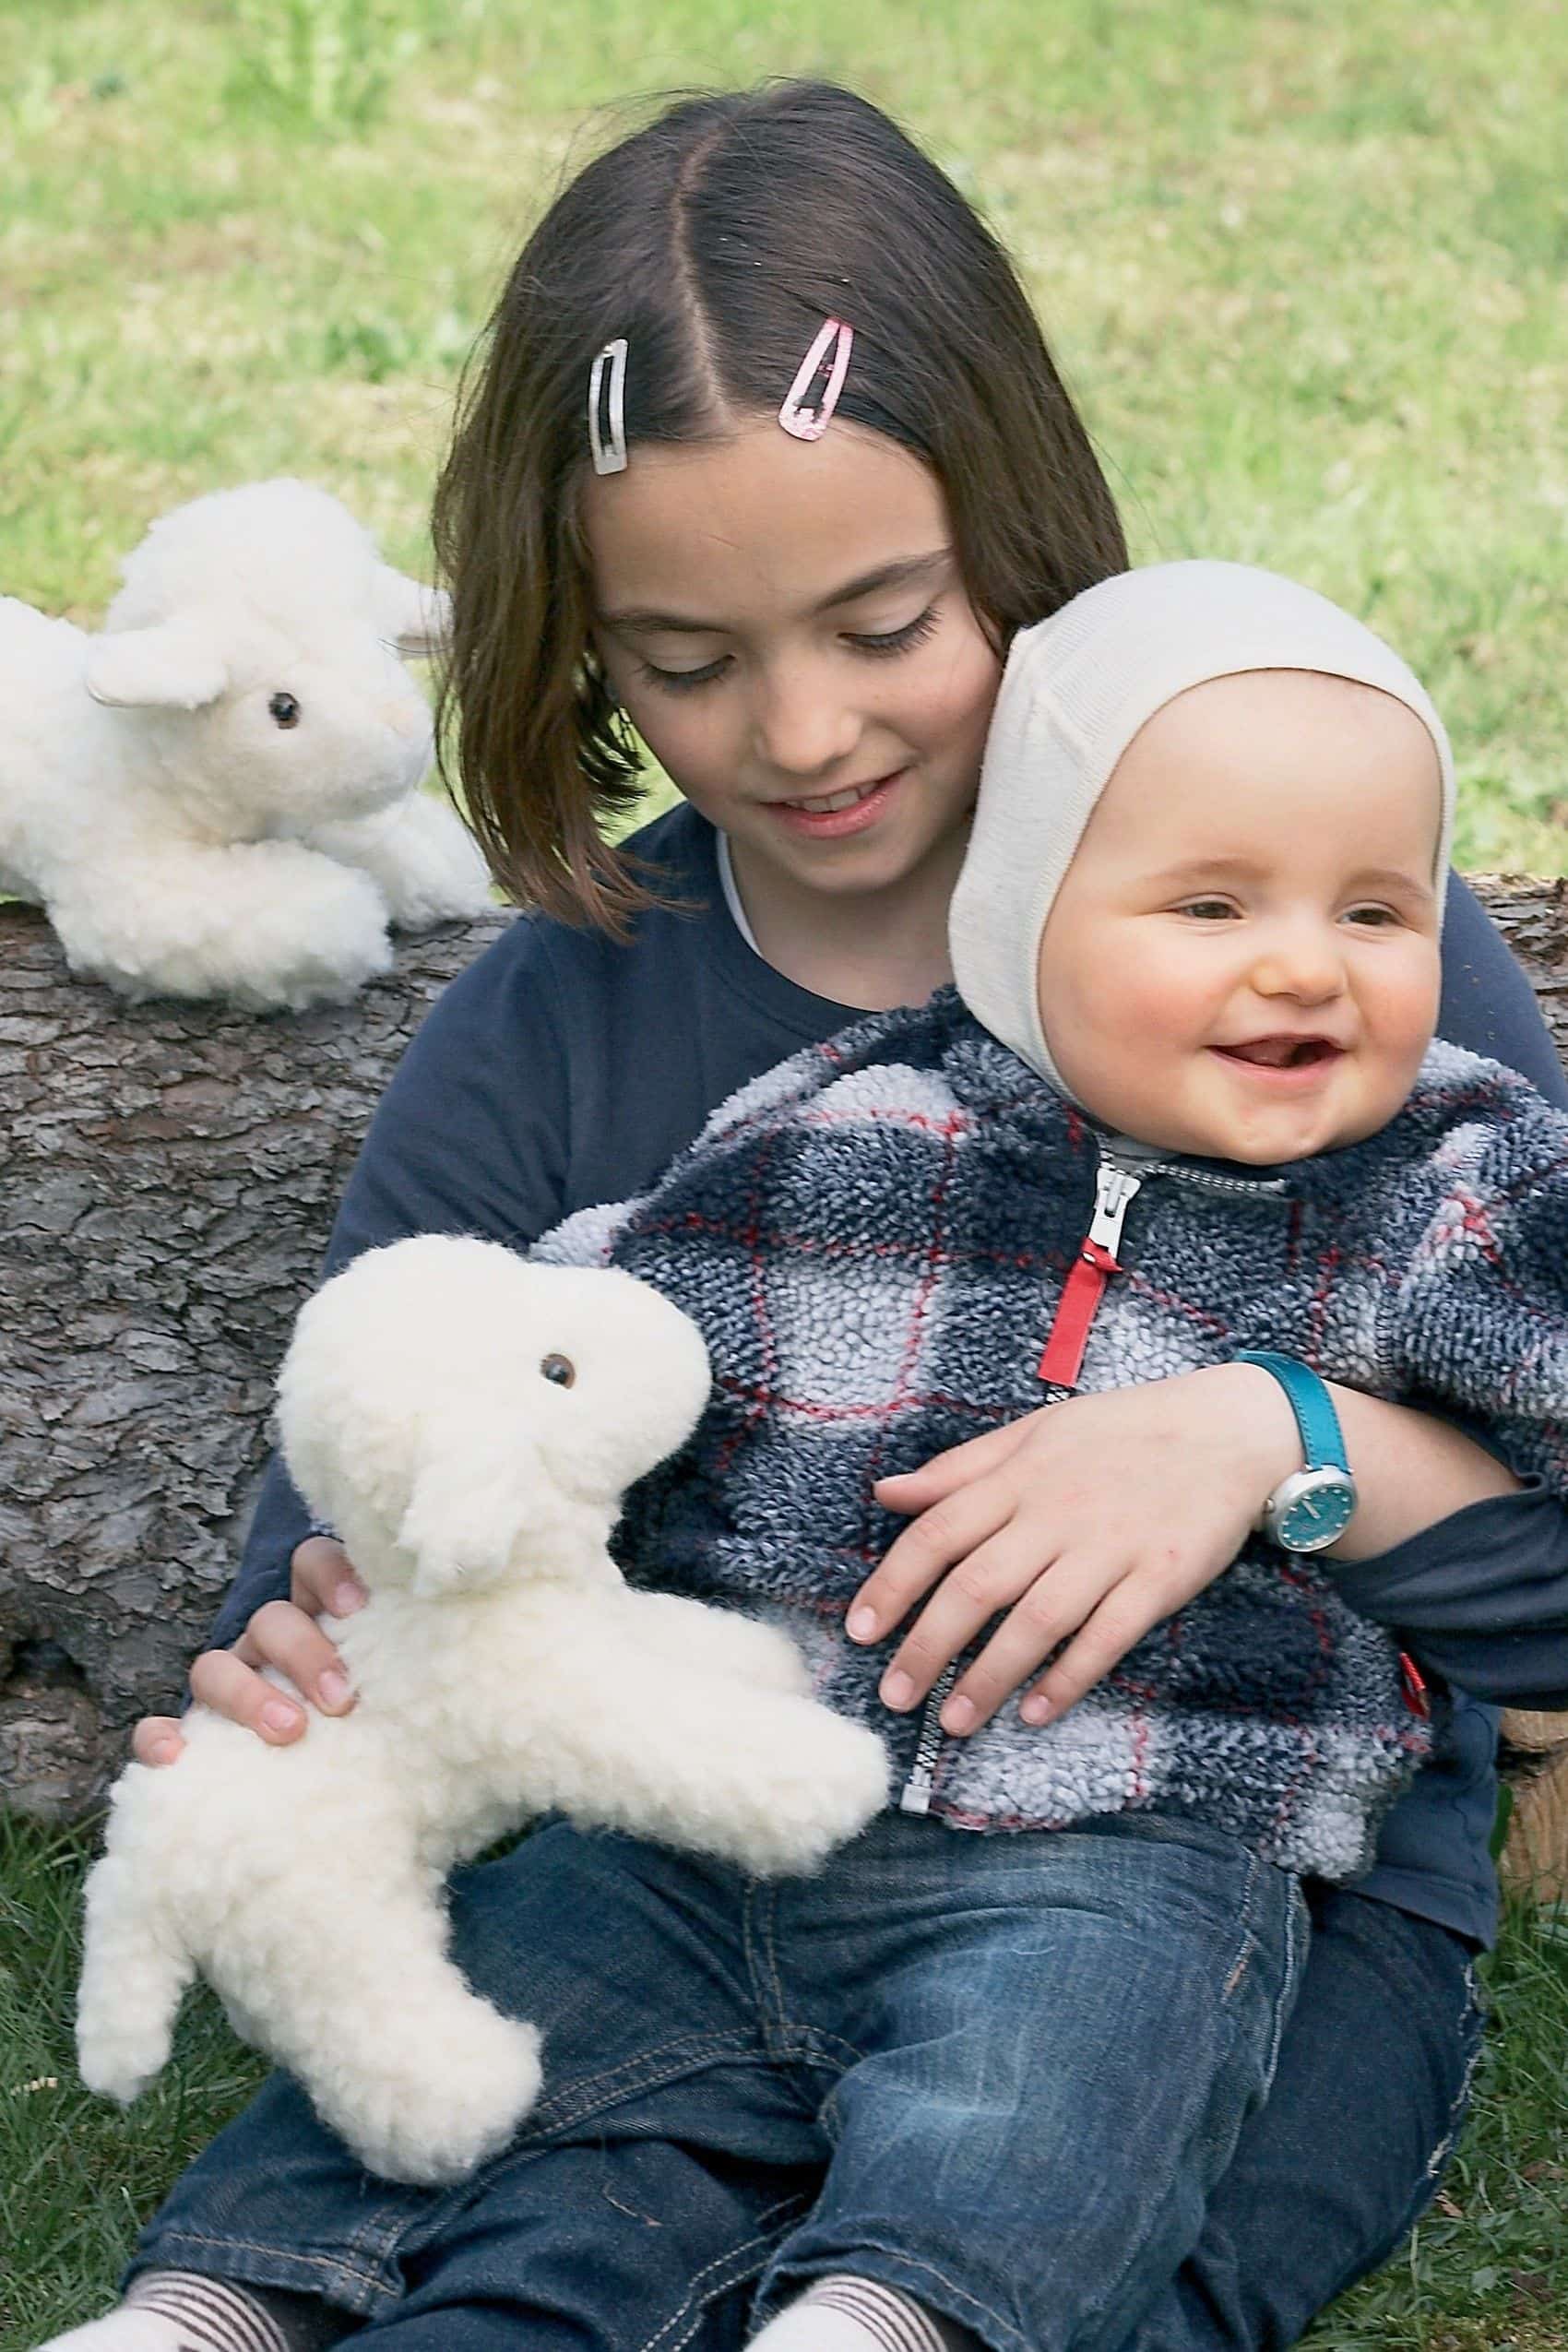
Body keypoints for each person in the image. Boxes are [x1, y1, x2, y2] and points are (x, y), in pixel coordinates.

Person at [51, 77, 1568, 2352]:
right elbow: (360, 1507)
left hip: (1244, 1876)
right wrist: (312, 1645)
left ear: (1018, 528)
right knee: (523, 2229)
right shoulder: (557, 1020)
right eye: (685, 659)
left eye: (884, 619)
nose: (798, 730)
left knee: (1087, 2262)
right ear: (580, 633)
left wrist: (1274, 1437)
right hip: (692, 1846)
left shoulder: (1320, 948)